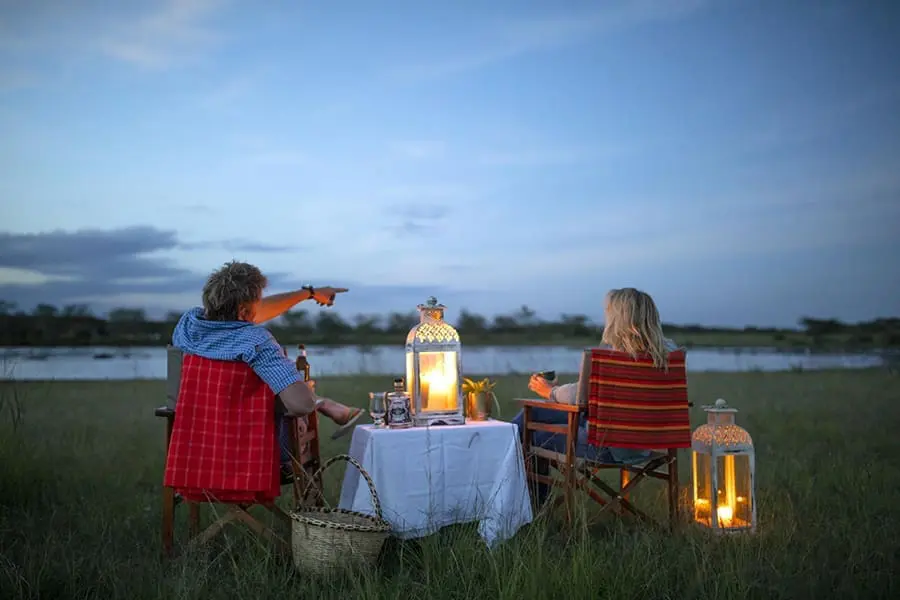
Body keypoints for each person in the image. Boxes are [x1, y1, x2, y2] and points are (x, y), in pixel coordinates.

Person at [171, 260, 364, 483]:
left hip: (194, 451)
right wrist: (306, 393)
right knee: (298, 400)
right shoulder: (256, 342)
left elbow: (242, 316)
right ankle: (324, 404)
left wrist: (309, 293)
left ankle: (328, 405)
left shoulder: (188, 326)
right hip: (253, 454)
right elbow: (301, 405)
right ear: (244, 311)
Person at [511, 287, 679, 506]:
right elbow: (588, 393)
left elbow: (581, 395)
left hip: (607, 446)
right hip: (647, 442)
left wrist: (549, 391)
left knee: (529, 433)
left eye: (608, 311)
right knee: (534, 414)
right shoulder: (669, 356)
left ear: (618, 318)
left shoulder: (614, 358)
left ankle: (531, 507)